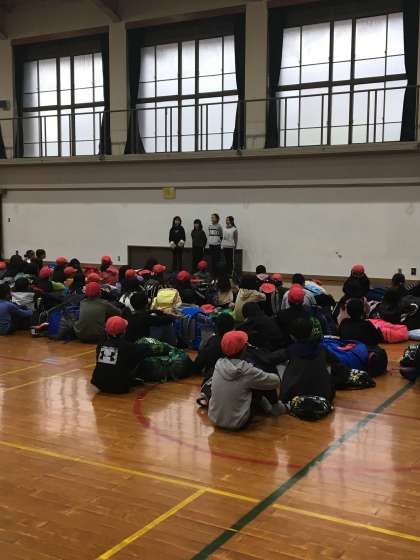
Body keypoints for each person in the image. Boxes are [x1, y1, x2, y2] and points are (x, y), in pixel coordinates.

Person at [208, 330, 284, 430]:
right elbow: (275, 381)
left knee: (253, 382)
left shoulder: (218, 365)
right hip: (238, 422)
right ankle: (276, 408)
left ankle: (266, 405)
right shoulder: (247, 371)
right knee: (261, 382)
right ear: (244, 348)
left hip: (215, 418)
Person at [91, 316, 155, 394]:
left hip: (98, 383)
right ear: (124, 331)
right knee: (139, 355)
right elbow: (147, 350)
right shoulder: (128, 347)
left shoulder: (100, 345)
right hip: (120, 387)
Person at [279, 318, 336, 405]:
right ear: (311, 332)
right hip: (324, 396)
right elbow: (337, 361)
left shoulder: (289, 351)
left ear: (292, 336)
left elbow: (269, 359)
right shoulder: (321, 349)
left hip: (294, 397)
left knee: (280, 365)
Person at [195, 314, 235, 380]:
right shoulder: (237, 342)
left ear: (216, 327)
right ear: (233, 327)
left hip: (213, 376)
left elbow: (200, 361)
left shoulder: (213, 341)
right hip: (233, 376)